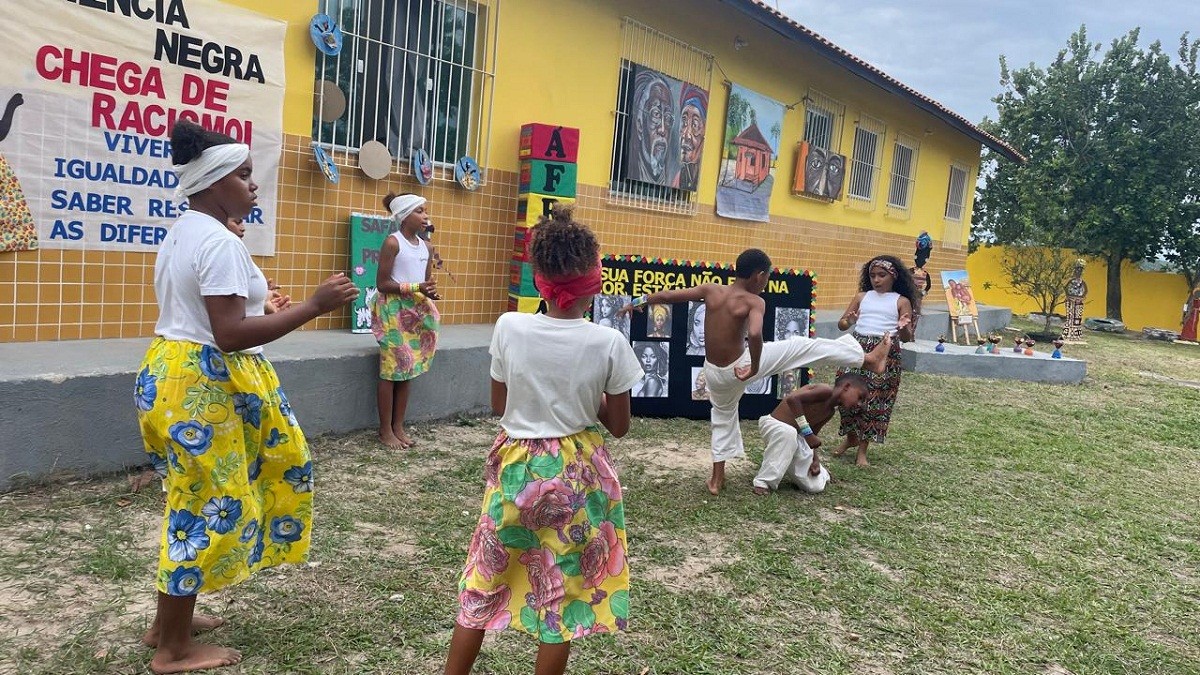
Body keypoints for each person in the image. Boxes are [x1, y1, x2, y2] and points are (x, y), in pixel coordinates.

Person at [135, 119, 358, 674]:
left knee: (191, 496)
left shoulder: (189, 229)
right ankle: (174, 650)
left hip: (175, 374)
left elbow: (217, 314)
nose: (254, 185)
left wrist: (268, 308)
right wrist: (312, 306)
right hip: (204, 385)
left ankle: (168, 623)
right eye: (243, 174)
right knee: (206, 502)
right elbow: (229, 333)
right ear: (213, 183)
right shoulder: (217, 241)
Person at [444, 207, 642, 675]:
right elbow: (618, 425)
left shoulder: (508, 326)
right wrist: (580, 397)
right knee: (564, 587)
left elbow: (500, 404)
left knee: (484, 578)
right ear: (595, 281)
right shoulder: (608, 343)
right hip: (575, 473)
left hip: (516, 469)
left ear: (539, 280)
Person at [621, 248, 891, 494]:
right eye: (767, 278)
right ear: (758, 276)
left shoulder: (711, 289)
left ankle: (717, 479)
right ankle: (867, 359)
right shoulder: (754, 302)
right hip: (740, 367)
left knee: (722, 417)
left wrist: (637, 301)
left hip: (714, 372)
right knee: (800, 346)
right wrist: (755, 368)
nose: (765, 283)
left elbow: (668, 296)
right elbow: (754, 333)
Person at [371, 192, 440, 450]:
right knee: (390, 371)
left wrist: (429, 291)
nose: (425, 216)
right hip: (393, 311)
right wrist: (416, 286)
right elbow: (383, 283)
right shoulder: (393, 243)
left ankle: (398, 425)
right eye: (419, 211)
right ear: (404, 216)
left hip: (415, 313)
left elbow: (425, 283)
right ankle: (385, 429)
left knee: (407, 367)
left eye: (425, 211)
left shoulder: (427, 247)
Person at [832, 255, 916, 467]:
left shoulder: (901, 301)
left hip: (884, 349)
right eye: (872, 275)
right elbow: (841, 324)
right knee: (844, 391)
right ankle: (851, 437)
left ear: (893, 277)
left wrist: (905, 326)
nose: (876, 280)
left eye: (882, 275)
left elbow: (906, 337)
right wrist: (849, 321)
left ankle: (862, 450)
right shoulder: (862, 297)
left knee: (874, 399)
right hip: (857, 346)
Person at [752, 374, 869, 495]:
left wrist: (815, 460)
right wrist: (807, 433)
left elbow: (812, 437)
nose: (859, 404)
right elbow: (793, 399)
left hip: (796, 438)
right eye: (860, 397)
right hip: (775, 425)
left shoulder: (829, 412)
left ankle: (824, 474)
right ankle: (763, 482)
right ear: (847, 387)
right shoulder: (825, 391)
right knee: (788, 432)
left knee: (814, 486)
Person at [224, 218, 290, 315]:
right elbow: (226, 314)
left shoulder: (238, 252)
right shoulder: (222, 254)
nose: (243, 228)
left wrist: (258, 297)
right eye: (237, 222)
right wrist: (313, 305)